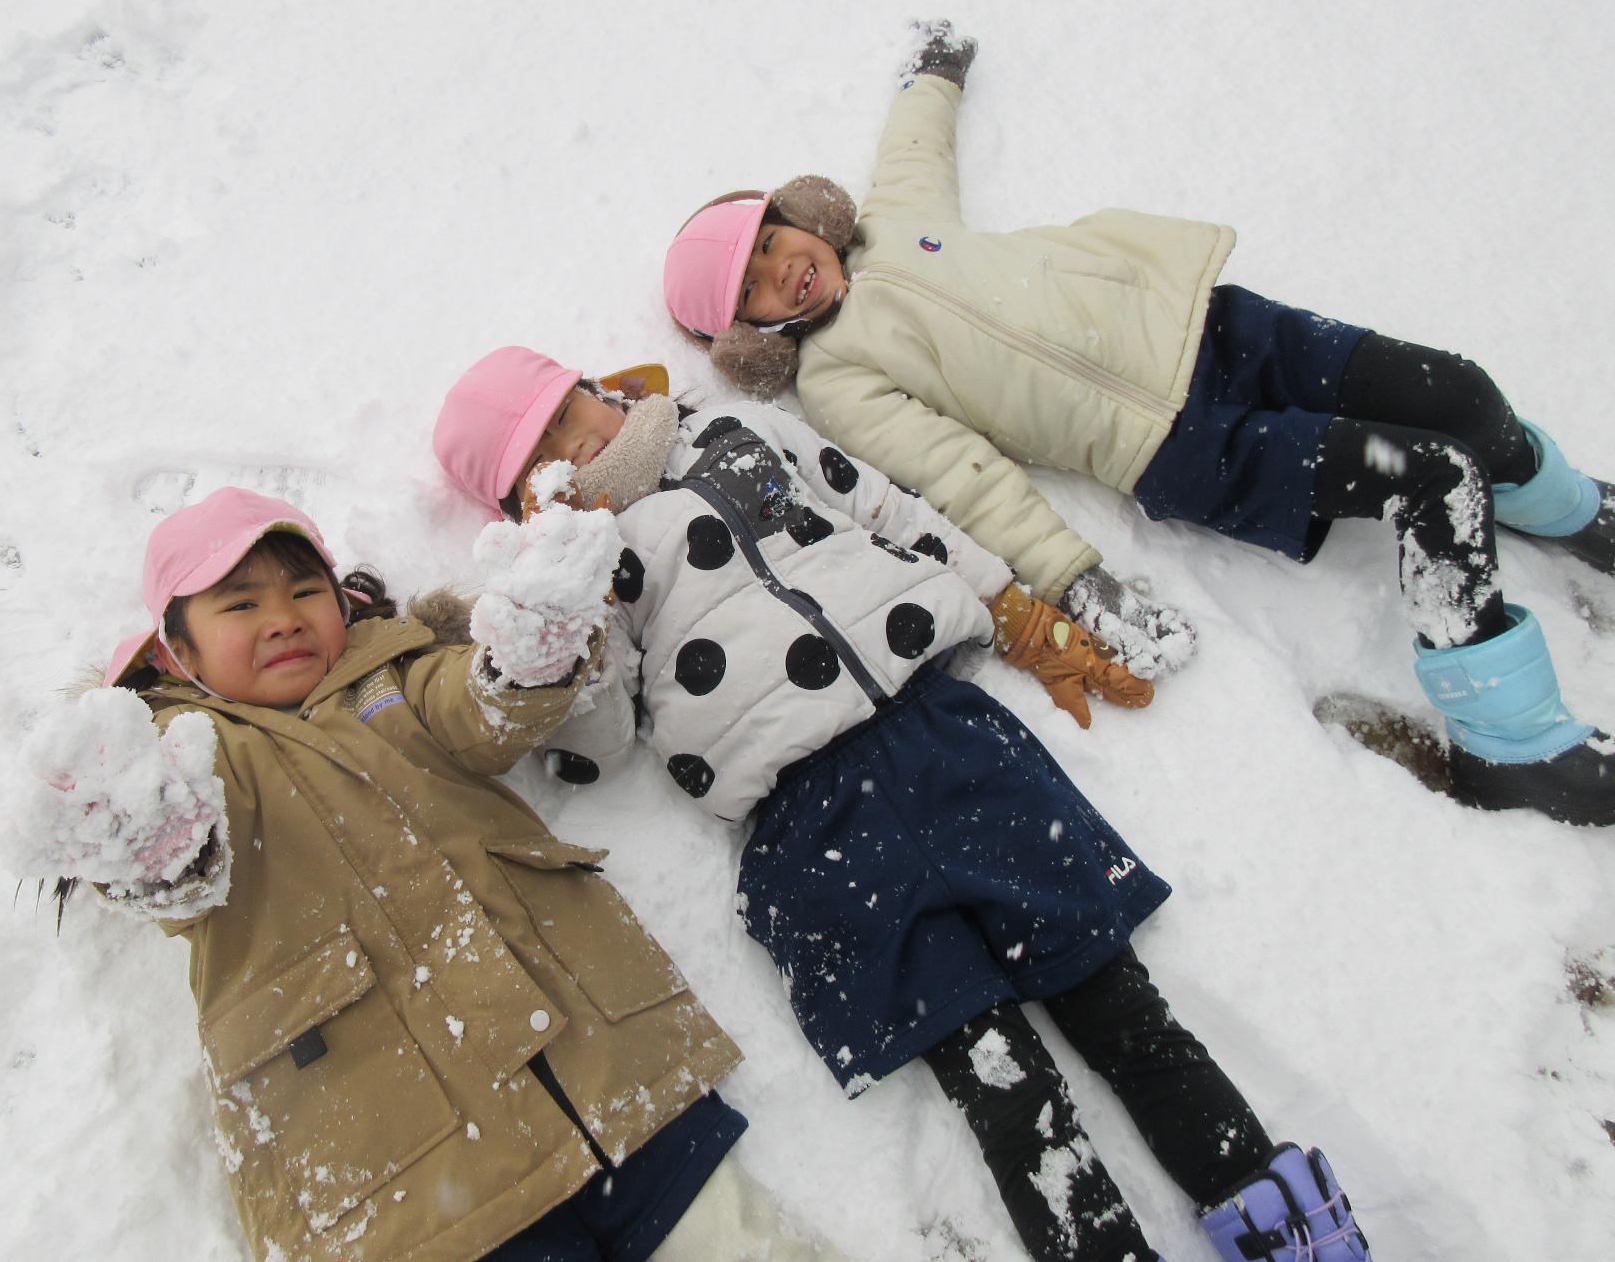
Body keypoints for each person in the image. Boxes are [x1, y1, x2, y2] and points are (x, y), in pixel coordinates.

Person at [432, 349, 1372, 1262]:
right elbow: (599, 749)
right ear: (523, 506)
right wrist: (553, 643)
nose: (576, 441)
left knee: (1117, 1003)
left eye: (568, 410)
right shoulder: (583, 573)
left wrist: (1008, 604)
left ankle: (1285, 1223)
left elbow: (880, 504)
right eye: (539, 457)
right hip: (811, 830)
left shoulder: (734, 428)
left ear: (601, 388)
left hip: (943, 740)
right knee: (1002, 1088)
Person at [659, 20, 1615, 827]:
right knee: (1431, 474)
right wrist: (1079, 585)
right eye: (753, 290)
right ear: (757, 336)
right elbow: (960, 478)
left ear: (803, 219)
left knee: (1457, 391)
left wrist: (931, 75)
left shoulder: (893, 221)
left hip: (1215, 325)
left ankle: (1567, 510)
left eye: (772, 243)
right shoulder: (838, 379)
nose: (780, 270)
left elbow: (914, 147)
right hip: (1182, 449)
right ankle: (1508, 740)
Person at [10, 486, 849, 1262]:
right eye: (240, 604)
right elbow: (183, 875)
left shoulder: (391, 672)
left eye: (305, 592)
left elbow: (475, 709)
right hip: (413, 1170)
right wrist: (153, 846)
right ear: (175, 648)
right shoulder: (182, 756)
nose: (283, 619)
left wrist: (524, 661)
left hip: (594, 1069)